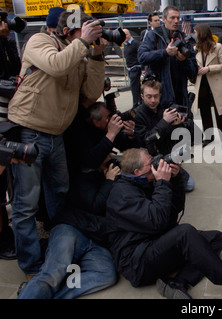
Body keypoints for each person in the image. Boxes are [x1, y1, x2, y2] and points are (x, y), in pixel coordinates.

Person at [7, 10, 107, 277]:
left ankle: (58, 243)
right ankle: (31, 265)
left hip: (56, 134)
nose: (88, 38)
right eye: (83, 31)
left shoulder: (80, 53)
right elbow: (56, 65)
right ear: (66, 31)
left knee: (61, 194)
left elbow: (92, 91)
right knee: (26, 205)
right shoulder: (40, 42)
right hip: (30, 130)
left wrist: (96, 56)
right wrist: (83, 42)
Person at [105, 147, 222, 299]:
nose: (156, 165)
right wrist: (162, 184)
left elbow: (172, 213)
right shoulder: (121, 195)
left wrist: (174, 180)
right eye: (150, 164)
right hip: (137, 262)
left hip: (152, 243)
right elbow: (156, 222)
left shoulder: (146, 181)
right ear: (137, 172)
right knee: (186, 233)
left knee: (215, 239)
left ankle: (178, 283)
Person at [17, 158, 119, 299]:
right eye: (107, 159)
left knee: (106, 273)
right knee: (53, 274)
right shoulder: (85, 177)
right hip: (71, 229)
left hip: (95, 240)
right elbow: (96, 205)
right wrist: (108, 181)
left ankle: (38, 294)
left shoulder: (118, 184)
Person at [133, 79, 195, 192]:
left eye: (156, 96)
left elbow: (174, 137)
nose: (153, 100)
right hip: (150, 160)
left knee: (190, 185)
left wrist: (176, 125)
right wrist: (165, 122)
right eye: (149, 96)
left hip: (167, 155)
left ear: (160, 95)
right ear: (142, 96)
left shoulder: (163, 110)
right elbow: (145, 140)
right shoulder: (137, 115)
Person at [138, 6, 198, 110]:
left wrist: (184, 60)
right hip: (160, 99)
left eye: (178, 18)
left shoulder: (184, 39)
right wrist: (165, 52)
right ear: (164, 19)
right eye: (172, 18)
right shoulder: (154, 35)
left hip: (181, 98)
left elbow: (193, 72)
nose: (176, 21)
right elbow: (142, 57)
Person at [64, 100, 140, 178]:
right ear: (96, 122)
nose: (111, 119)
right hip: (83, 174)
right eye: (108, 117)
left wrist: (131, 135)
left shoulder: (105, 128)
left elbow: (128, 147)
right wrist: (111, 135)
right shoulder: (81, 133)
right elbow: (91, 161)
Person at [0, 15, 21, 260]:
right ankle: (3, 239)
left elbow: (14, 72)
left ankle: (8, 231)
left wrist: (6, 42)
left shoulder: (6, 42)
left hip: (7, 119)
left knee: (9, 178)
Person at [192, 23, 222, 147]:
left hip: (215, 84)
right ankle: (208, 137)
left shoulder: (217, 47)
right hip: (202, 84)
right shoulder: (196, 48)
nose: (194, 34)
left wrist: (208, 68)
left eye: (196, 32)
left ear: (202, 33)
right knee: (204, 112)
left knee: (220, 112)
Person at [123, 29, 142, 108]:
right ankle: (140, 103)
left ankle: (135, 105)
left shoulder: (136, 44)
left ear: (130, 34)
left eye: (126, 35)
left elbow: (141, 55)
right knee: (137, 87)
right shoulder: (126, 44)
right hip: (130, 69)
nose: (125, 37)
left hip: (136, 68)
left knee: (134, 87)